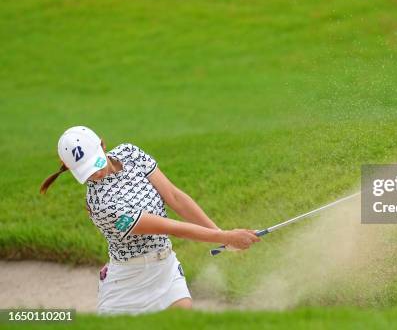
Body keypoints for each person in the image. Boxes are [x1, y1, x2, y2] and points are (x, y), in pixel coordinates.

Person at [40, 126, 260, 314]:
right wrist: (223, 236)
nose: (95, 174)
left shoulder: (130, 153)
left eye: (96, 164)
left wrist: (222, 235)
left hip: (166, 269)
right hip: (126, 285)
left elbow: (174, 196)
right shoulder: (100, 204)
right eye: (86, 171)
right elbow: (170, 227)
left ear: (103, 144)